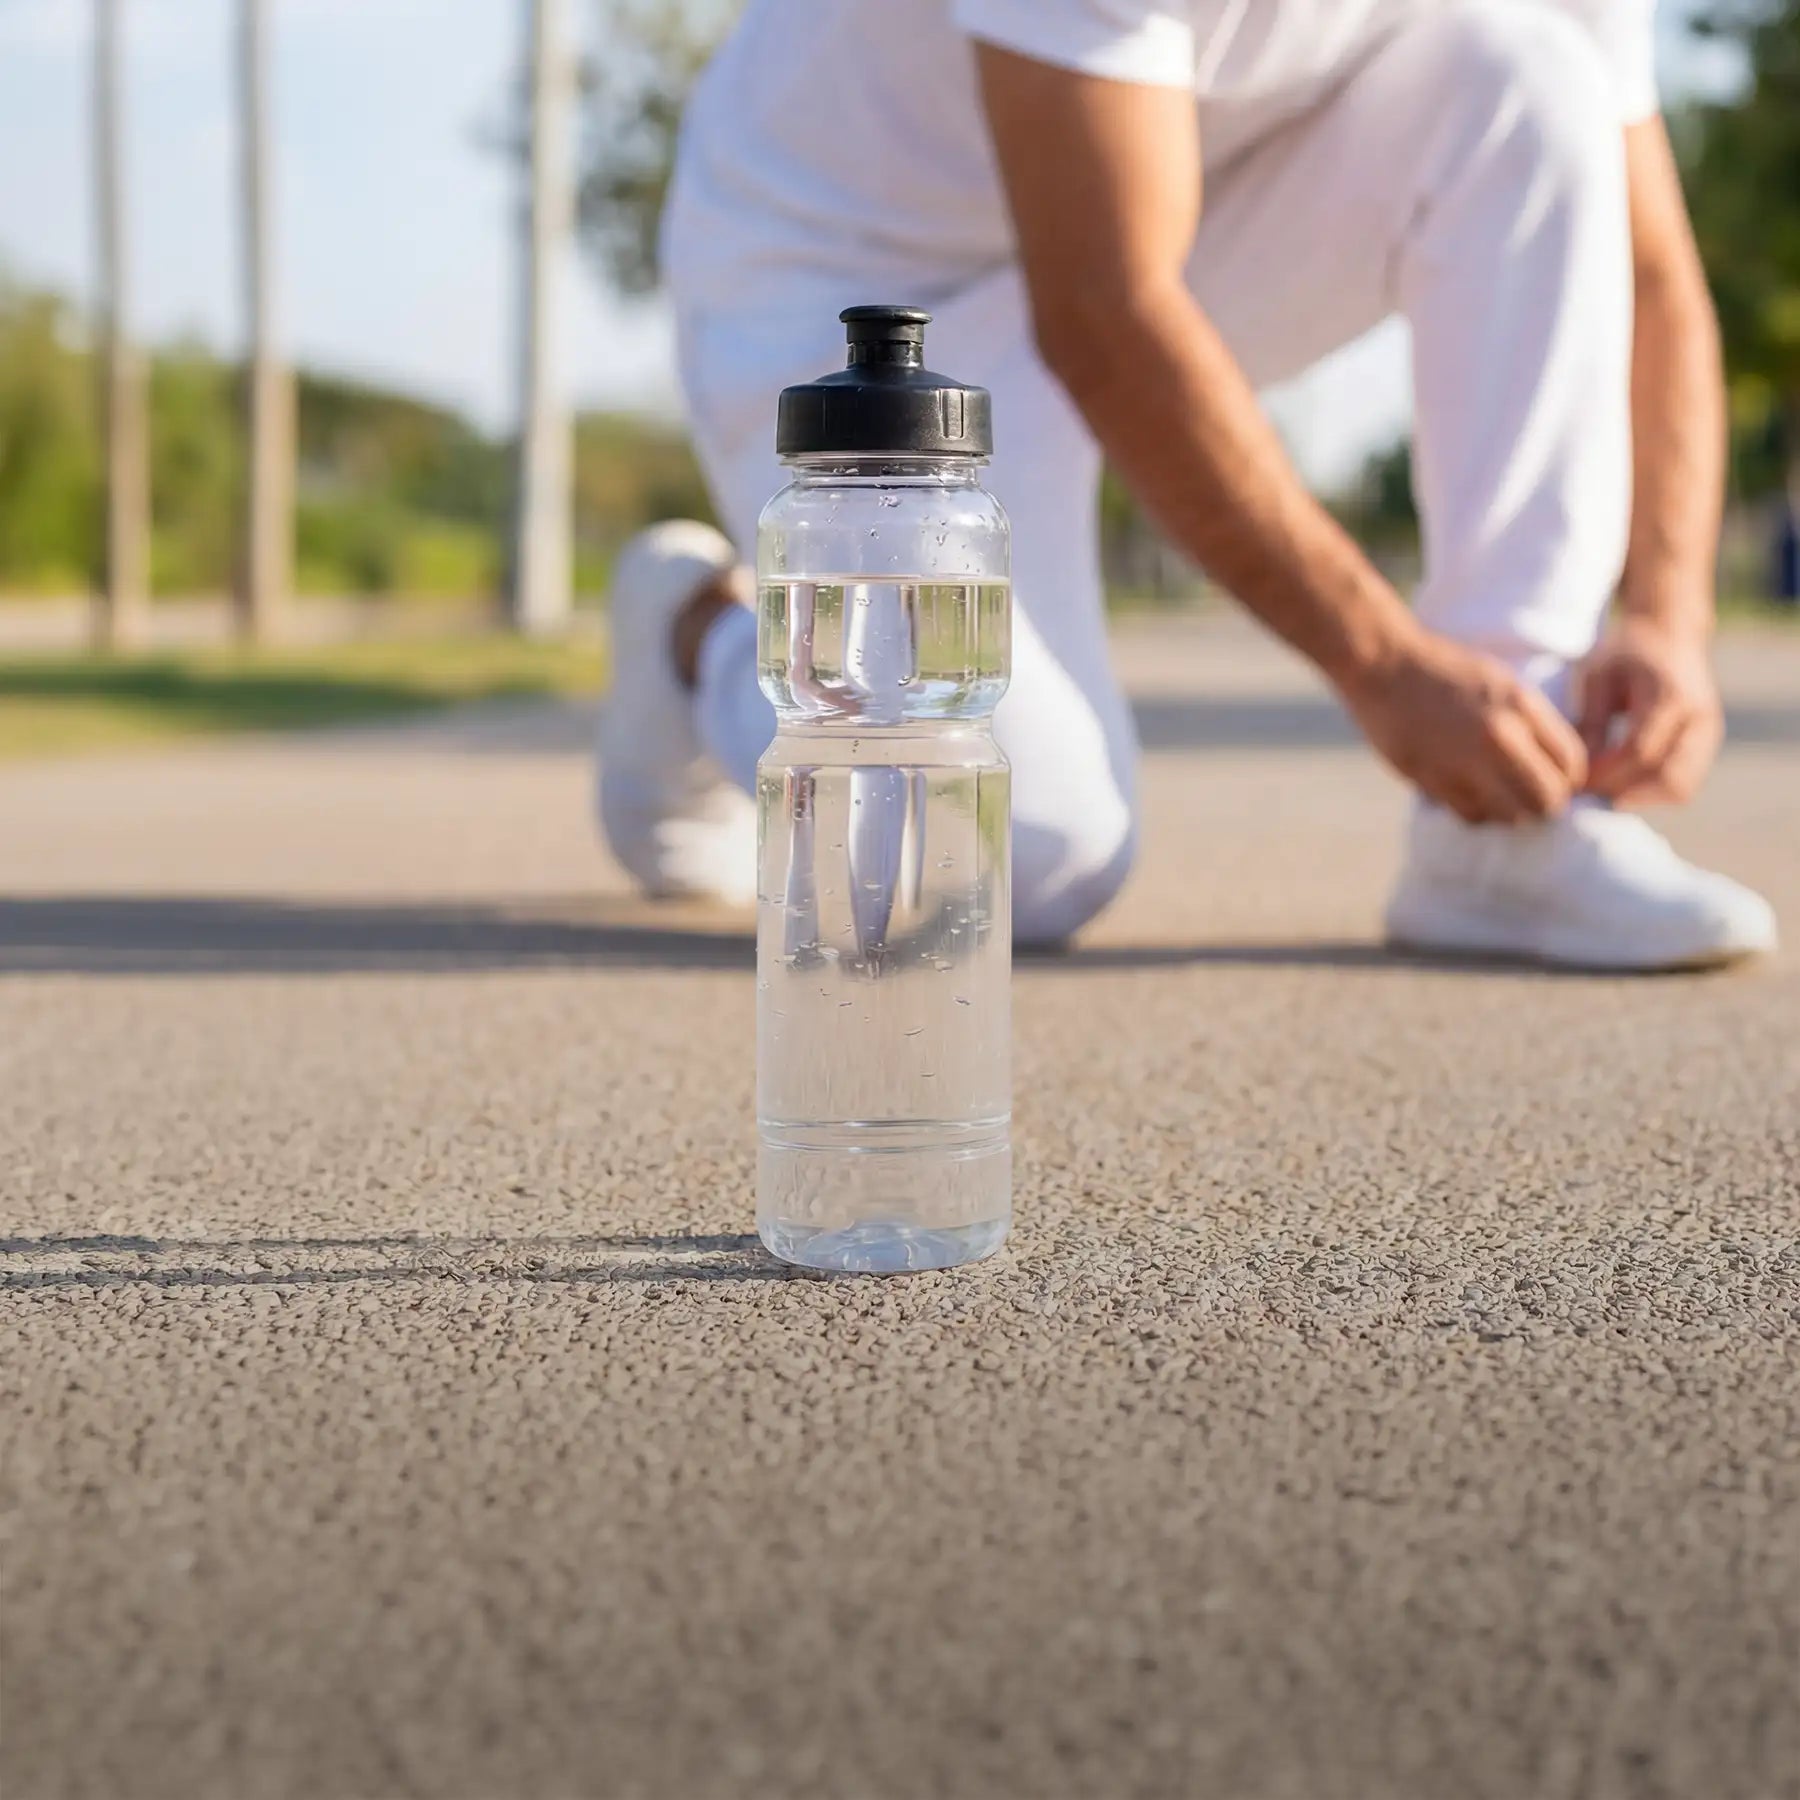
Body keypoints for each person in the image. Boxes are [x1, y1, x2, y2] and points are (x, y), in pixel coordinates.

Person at [598, 0, 1779, 969]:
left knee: (1528, 71)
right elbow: (1103, 317)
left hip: (1154, 240)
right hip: (838, 300)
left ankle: (1509, 814)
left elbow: (1652, 271)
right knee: (1026, 856)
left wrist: (1667, 619)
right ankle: (703, 630)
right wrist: (1382, 665)